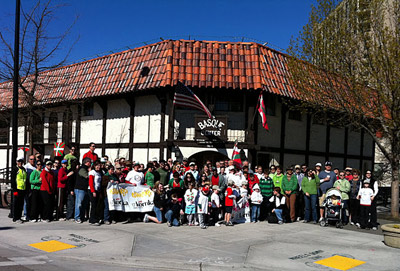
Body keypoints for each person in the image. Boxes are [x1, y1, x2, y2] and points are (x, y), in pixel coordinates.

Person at [74, 157, 91, 223]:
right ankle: (77, 217)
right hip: (80, 189)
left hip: (85, 188)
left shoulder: (86, 168)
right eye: (90, 162)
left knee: (84, 204)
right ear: (87, 162)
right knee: (79, 204)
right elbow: (86, 176)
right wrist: (89, 172)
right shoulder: (82, 169)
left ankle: (82, 216)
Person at [12, 158, 27, 223]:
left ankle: (19, 216)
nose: (20, 163)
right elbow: (13, 180)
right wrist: (14, 190)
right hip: (17, 189)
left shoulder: (23, 169)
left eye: (21, 161)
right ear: (16, 162)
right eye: (19, 161)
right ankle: (15, 217)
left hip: (23, 189)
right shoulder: (15, 169)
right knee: (16, 204)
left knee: (21, 204)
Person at [88, 161, 103, 226]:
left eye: (99, 166)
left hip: (98, 190)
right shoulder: (92, 172)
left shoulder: (100, 173)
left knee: (97, 205)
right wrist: (93, 191)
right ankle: (92, 219)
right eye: (97, 166)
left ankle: (97, 218)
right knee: (93, 205)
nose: (98, 167)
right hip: (92, 190)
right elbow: (91, 182)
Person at [24, 155, 36, 221]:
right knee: (26, 201)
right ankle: (25, 214)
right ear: (28, 160)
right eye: (31, 159)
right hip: (27, 186)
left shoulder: (35, 167)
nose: (32, 160)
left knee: (31, 201)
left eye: (34, 159)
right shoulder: (26, 167)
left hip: (33, 187)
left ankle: (30, 214)